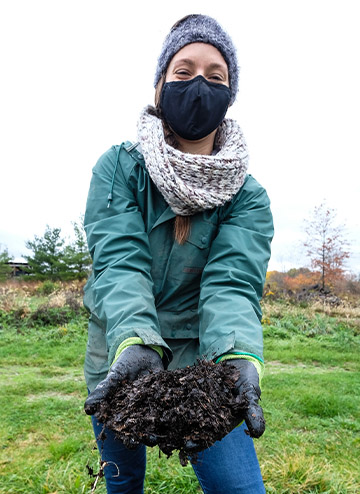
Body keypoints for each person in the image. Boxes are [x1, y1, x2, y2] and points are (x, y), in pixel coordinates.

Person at [83, 14, 273, 494]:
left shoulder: (248, 197)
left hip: (202, 357)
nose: (198, 87)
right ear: (159, 86)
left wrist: (238, 358)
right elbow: (120, 261)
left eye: (216, 76)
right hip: (123, 351)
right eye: (183, 73)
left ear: (230, 96)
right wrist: (135, 342)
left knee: (238, 488)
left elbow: (231, 284)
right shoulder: (120, 168)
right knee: (122, 484)